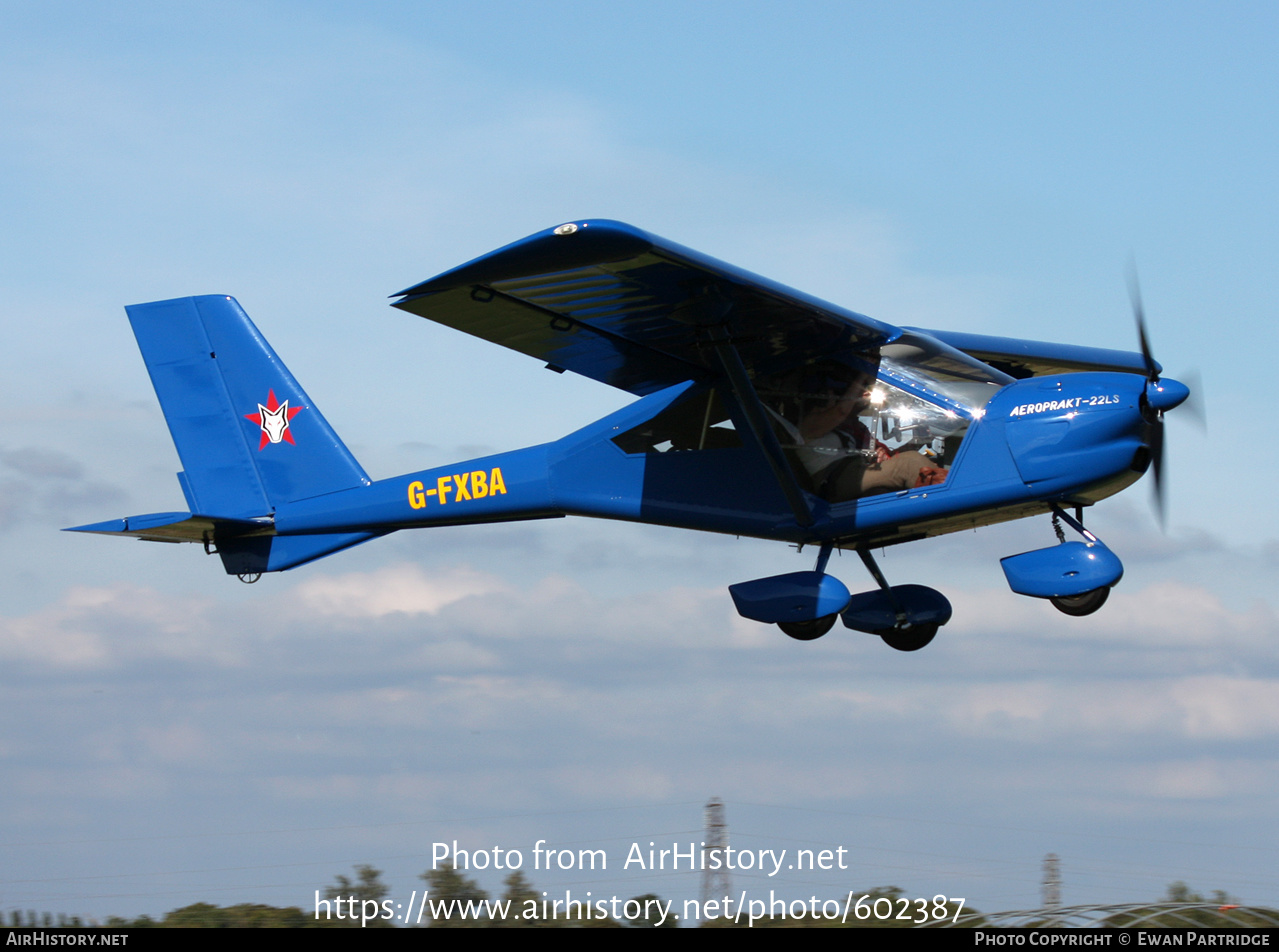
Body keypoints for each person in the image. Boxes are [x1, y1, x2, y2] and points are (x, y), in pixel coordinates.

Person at [785, 363, 947, 501]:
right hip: (832, 479)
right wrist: (861, 377)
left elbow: (847, 415)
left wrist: (878, 453)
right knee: (907, 464)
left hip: (853, 473)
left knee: (885, 494)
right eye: (831, 397)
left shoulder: (848, 428)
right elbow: (841, 411)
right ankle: (947, 495)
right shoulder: (807, 425)